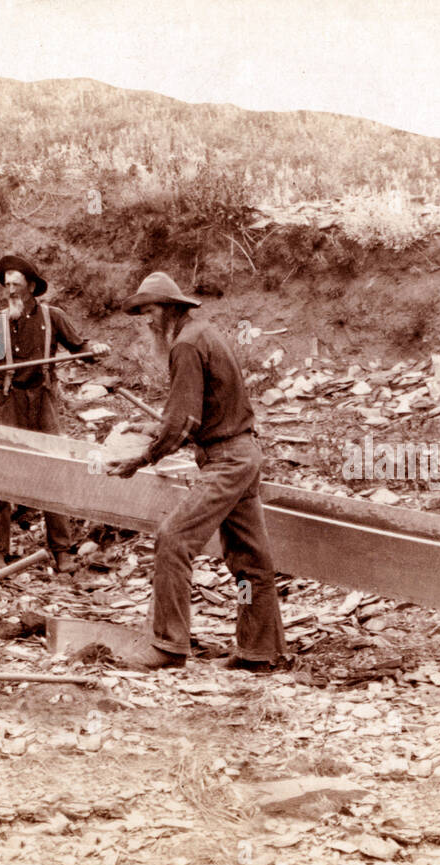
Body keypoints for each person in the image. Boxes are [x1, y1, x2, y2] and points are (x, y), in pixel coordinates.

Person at [105, 271, 290, 673]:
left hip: (225, 461)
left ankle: (168, 646)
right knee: (249, 561)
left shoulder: (185, 345)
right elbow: (202, 411)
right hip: (243, 454)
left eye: (149, 311)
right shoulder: (203, 335)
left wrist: (139, 459)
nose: (147, 321)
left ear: (170, 309)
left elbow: (184, 420)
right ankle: (260, 651)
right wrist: (154, 429)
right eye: (141, 313)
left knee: (174, 538)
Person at [0, 254, 108, 572]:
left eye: (17, 285)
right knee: (1, 472)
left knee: (52, 471)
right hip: (8, 403)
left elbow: (80, 348)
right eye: (7, 286)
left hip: (44, 402)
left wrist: (95, 350)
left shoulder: (53, 317)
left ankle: (61, 551)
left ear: (32, 287)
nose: (11, 292)